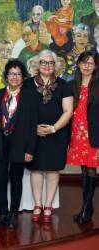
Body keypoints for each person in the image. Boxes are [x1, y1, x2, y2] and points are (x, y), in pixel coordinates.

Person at [23, 49, 73, 223]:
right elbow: (23, 110)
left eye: (50, 63)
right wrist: (32, 129)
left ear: (55, 66)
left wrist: (52, 129)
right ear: (37, 65)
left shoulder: (64, 85)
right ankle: (37, 204)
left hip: (56, 134)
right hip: (34, 134)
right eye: (43, 62)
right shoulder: (27, 84)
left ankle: (49, 204)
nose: (47, 66)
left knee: (53, 169)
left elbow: (68, 112)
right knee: (36, 168)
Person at [0, 59, 37, 229]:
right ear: (6, 76)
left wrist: (30, 149)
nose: (14, 77)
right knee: (0, 179)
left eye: (18, 74)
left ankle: (14, 214)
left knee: (16, 180)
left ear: (23, 77)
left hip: (20, 144)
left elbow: (32, 125)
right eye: (11, 73)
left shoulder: (30, 96)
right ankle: (3, 213)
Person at [66, 51, 99, 224]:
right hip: (76, 134)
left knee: (91, 169)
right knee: (84, 170)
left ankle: (86, 208)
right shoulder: (72, 85)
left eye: (91, 63)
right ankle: (87, 207)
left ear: (95, 66)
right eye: (84, 62)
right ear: (78, 64)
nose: (87, 66)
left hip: (93, 134)